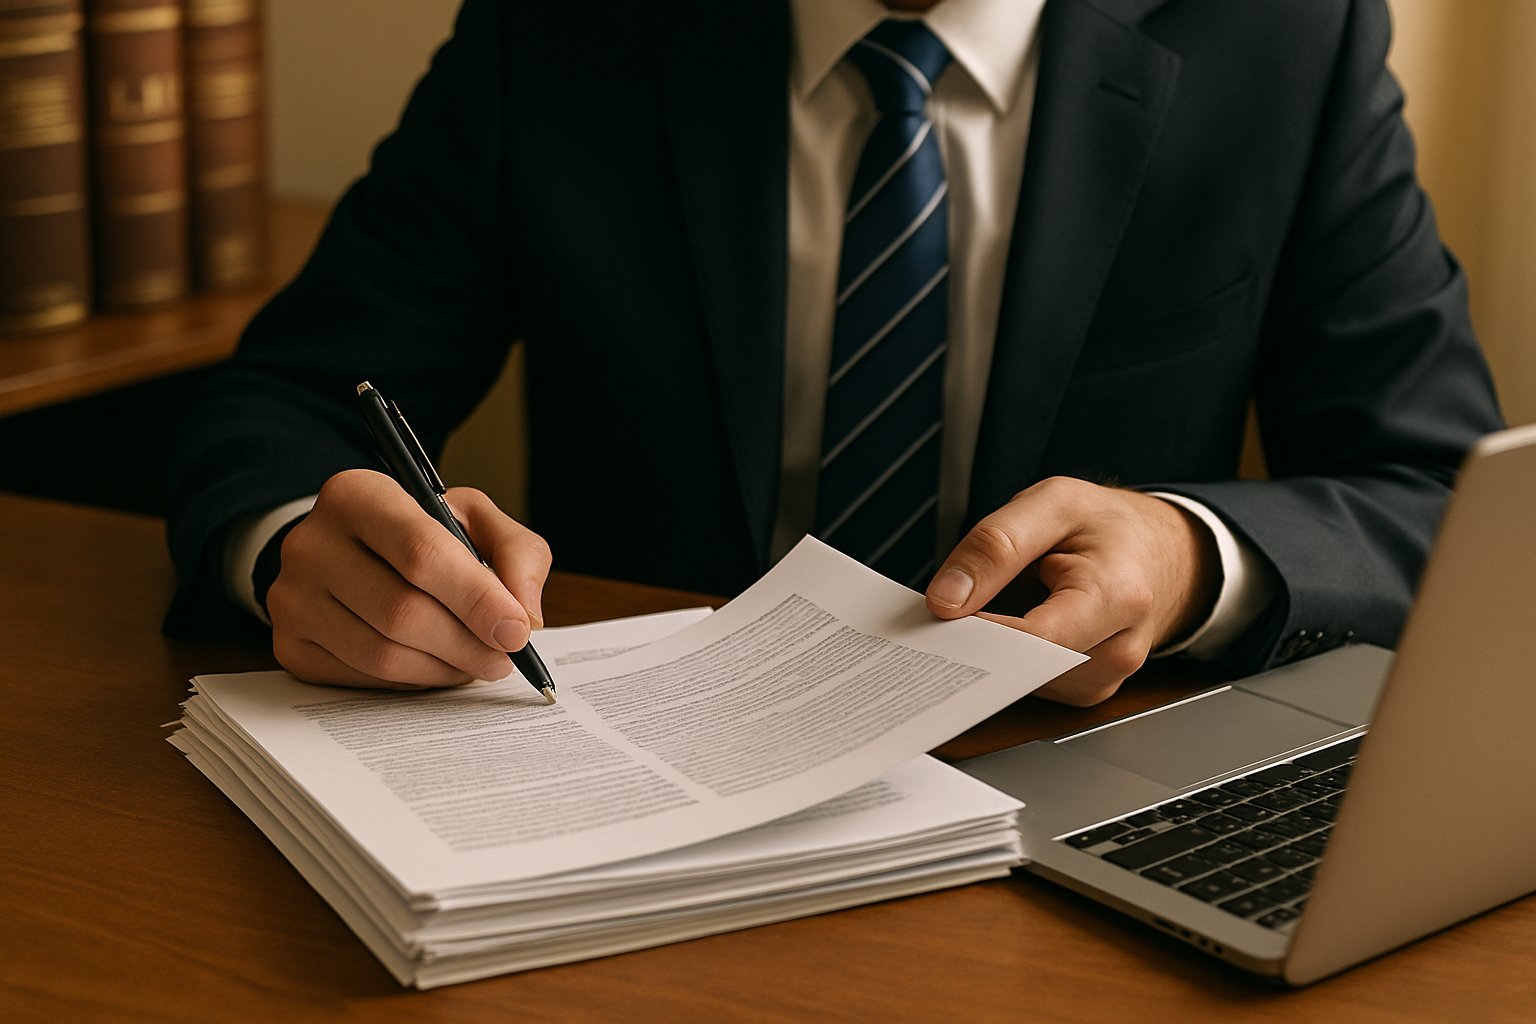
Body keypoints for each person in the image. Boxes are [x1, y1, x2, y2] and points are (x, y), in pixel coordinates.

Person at [166, 0, 1502, 706]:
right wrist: (296, 545)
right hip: (608, 795)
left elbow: (1438, 502)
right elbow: (289, 399)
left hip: (1063, 787)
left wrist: (1193, 553)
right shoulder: (561, 26)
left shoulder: (1288, 36)